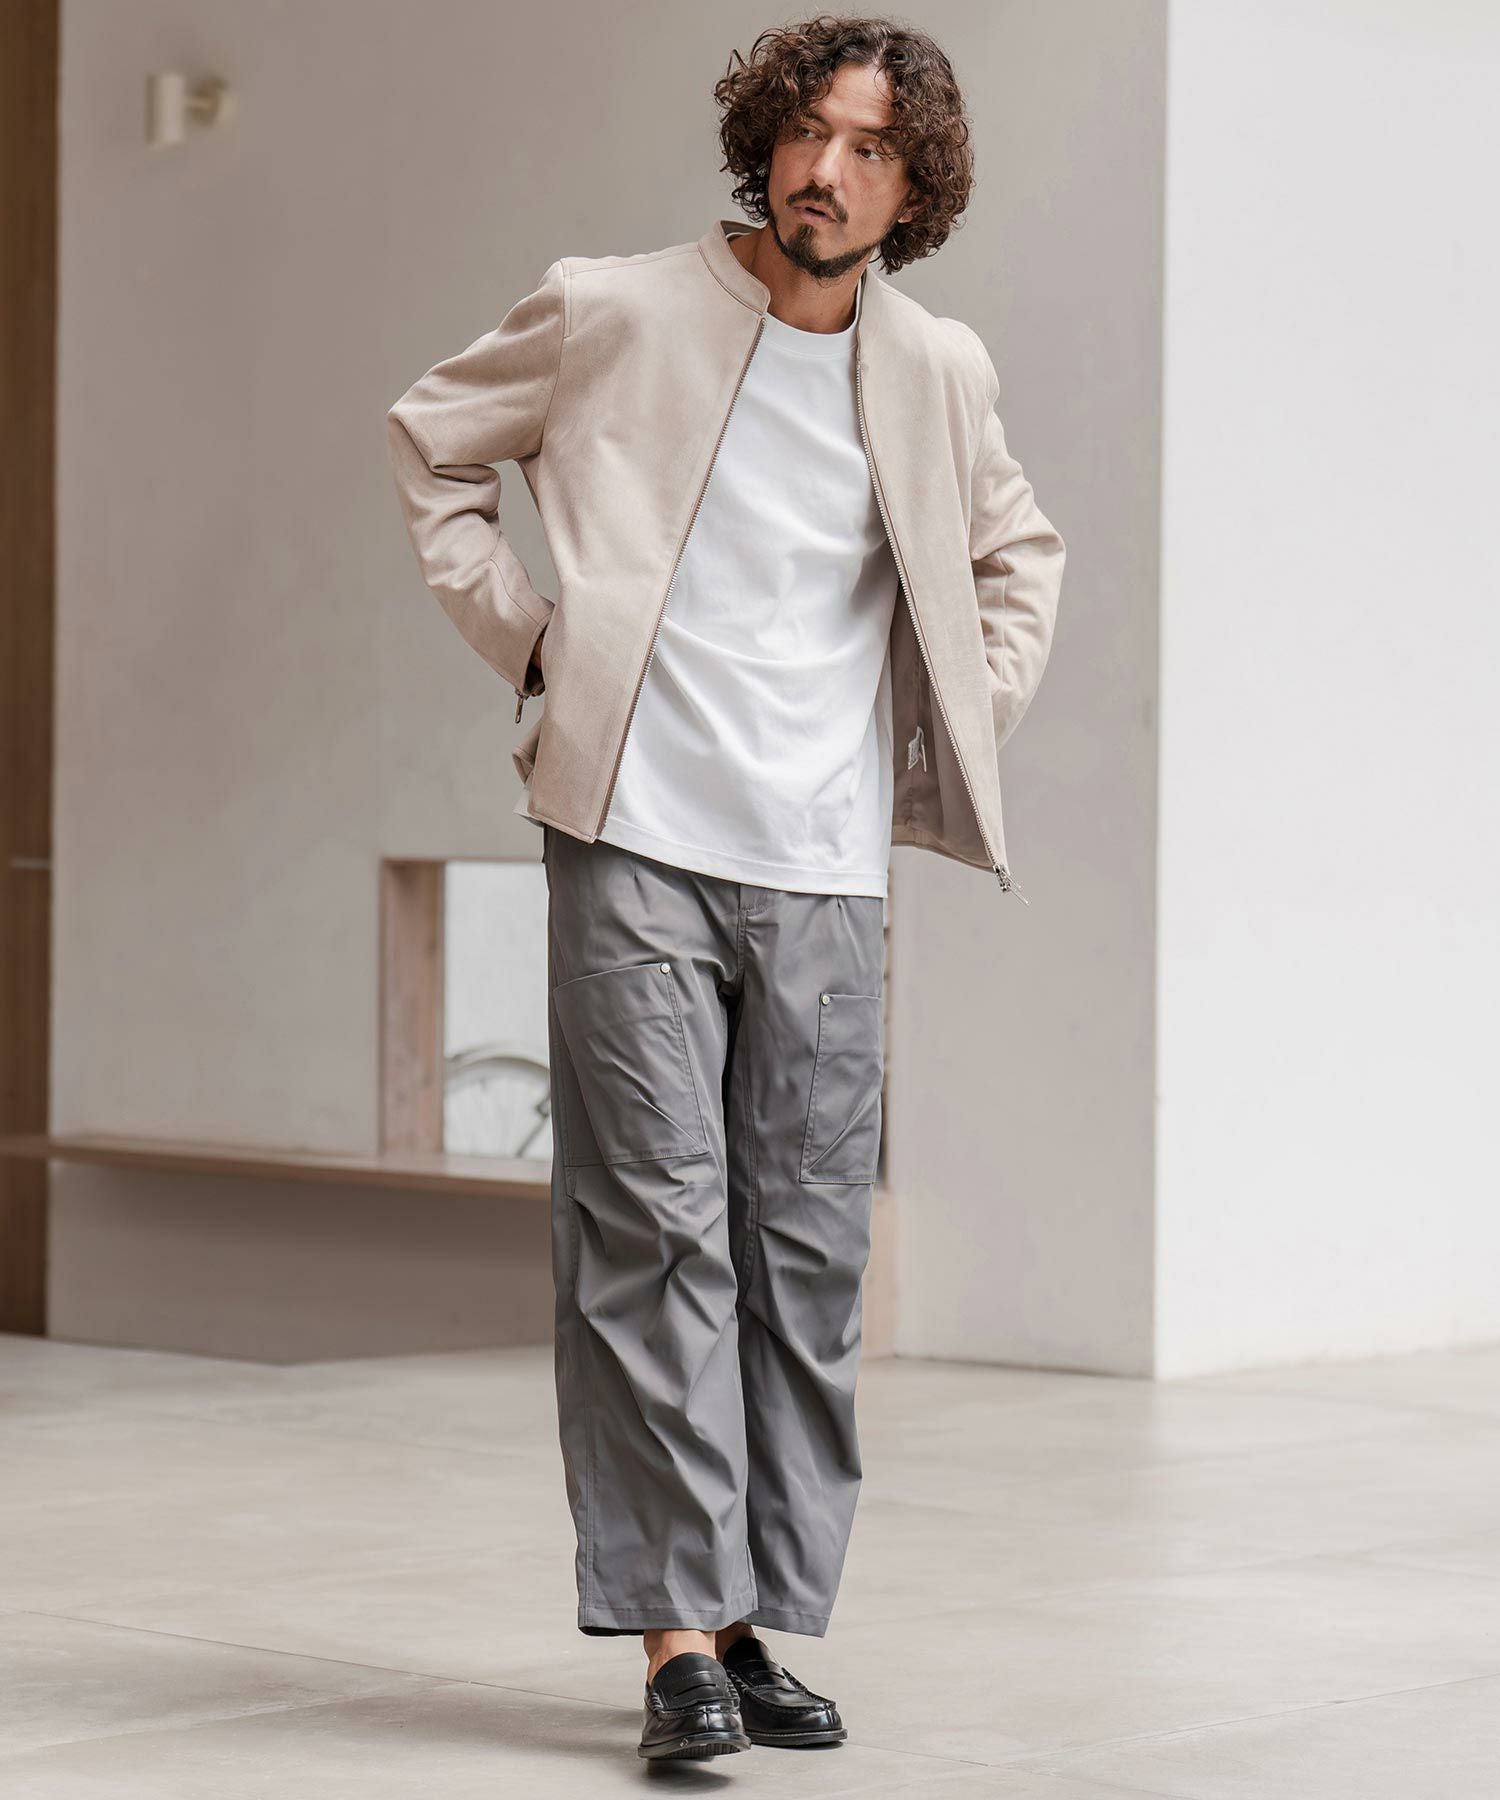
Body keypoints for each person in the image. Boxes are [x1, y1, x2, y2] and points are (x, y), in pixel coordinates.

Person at [386, 13, 1065, 1763]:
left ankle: (753, 1613)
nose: (825, 171)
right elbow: (433, 442)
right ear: (764, 138)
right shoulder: (614, 309)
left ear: (913, 188)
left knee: (805, 1250)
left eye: (870, 149)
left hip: (826, 866)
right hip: (636, 836)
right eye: (807, 132)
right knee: (652, 1230)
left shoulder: (938, 368)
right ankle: (677, 1639)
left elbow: (1016, 554)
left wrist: (954, 715)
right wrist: (535, 643)